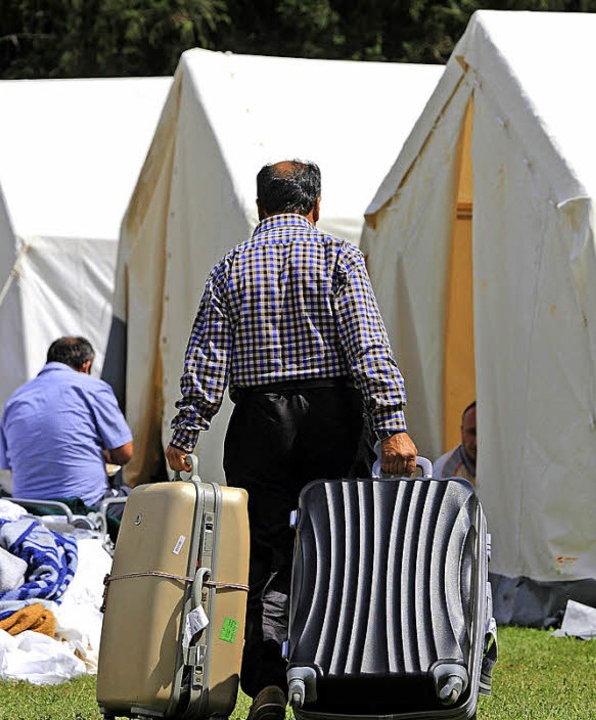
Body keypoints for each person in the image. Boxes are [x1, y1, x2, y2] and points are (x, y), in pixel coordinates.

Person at [166, 160, 417, 720]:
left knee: (263, 557)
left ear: (259, 207)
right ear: (316, 205)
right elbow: (366, 344)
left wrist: (187, 429)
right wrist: (392, 423)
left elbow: (207, 358)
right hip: (332, 415)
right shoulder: (338, 257)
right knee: (337, 552)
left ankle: (269, 682)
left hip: (258, 423)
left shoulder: (230, 266)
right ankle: (329, 677)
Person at [0, 336, 133, 519]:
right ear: (86, 366)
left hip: (30, 507)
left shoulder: (15, 399)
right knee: (146, 501)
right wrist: (106, 454)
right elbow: (124, 453)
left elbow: (13, 467)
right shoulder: (92, 387)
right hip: (84, 506)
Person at [433, 400, 476, 485]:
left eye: (483, 433)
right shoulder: (445, 474)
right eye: (472, 432)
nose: (477, 442)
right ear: (462, 432)